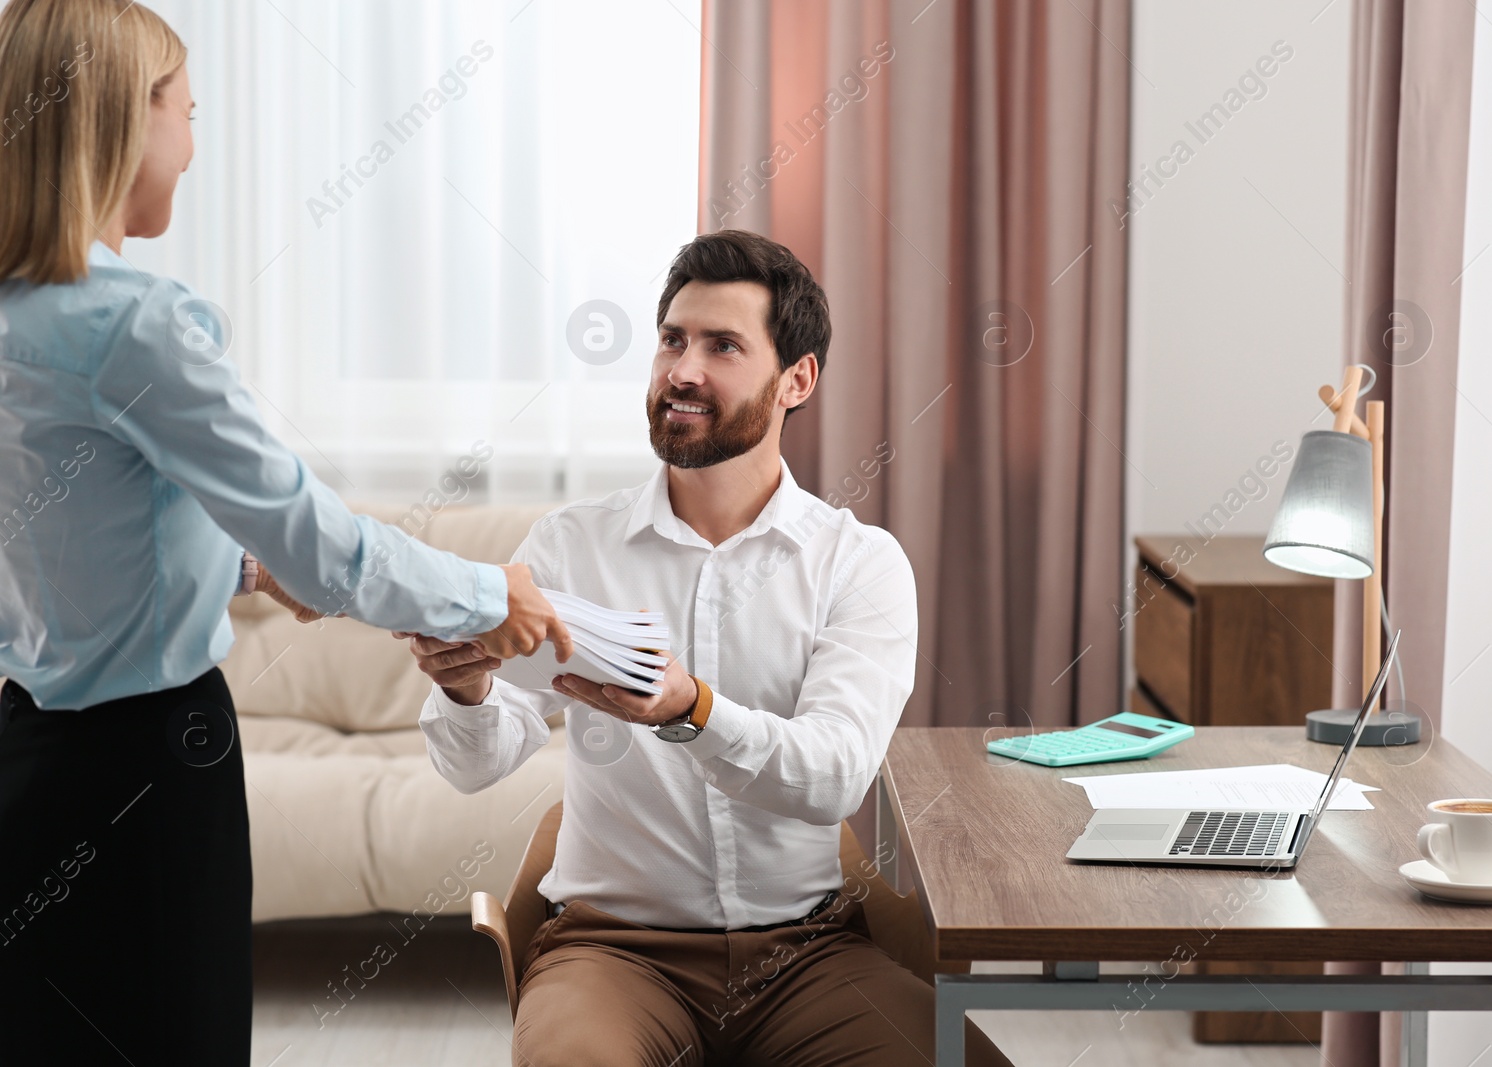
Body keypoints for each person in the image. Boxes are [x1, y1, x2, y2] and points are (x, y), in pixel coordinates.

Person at [0, 3, 570, 1063]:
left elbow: (75, 533)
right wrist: (498, 595)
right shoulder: (135, 323)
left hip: (29, 761)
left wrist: (248, 564)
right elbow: (333, 548)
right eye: (188, 110)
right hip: (155, 769)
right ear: (126, 124)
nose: (196, 142)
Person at [408, 229, 1016, 1065]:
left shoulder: (858, 563)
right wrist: (467, 690)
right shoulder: (571, 545)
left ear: (796, 378)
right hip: (612, 951)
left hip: (808, 954)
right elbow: (474, 763)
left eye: (723, 346)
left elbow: (835, 771)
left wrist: (692, 710)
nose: (681, 370)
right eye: (672, 341)